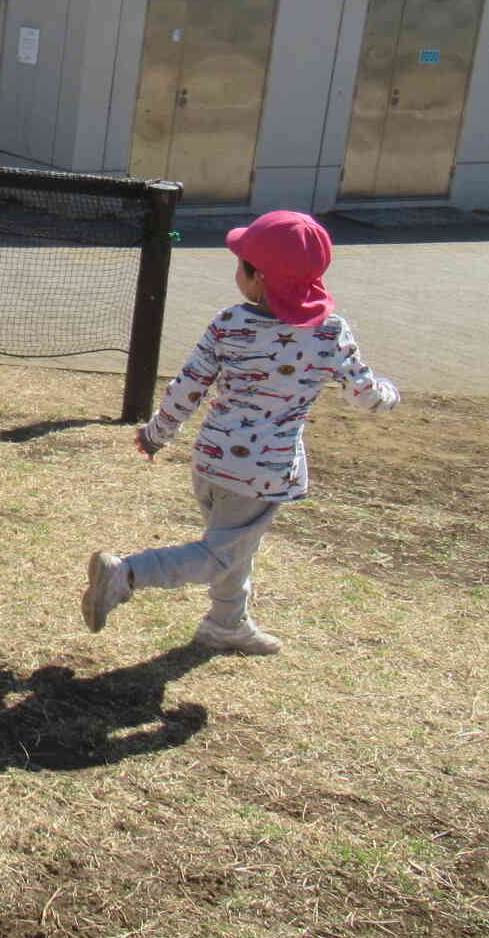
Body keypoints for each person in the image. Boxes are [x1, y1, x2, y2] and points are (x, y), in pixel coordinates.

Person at [80, 211, 399, 656]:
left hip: (211, 461)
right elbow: (366, 396)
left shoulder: (229, 322)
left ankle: (227, 624)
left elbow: (188, 385)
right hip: (262, 472)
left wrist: (157, 433)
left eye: (241, 264)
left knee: (234, 545)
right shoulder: (330, 332)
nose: (237, 273)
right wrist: (389, 393)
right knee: (221, 553)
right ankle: (128, 574)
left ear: (258, 278)